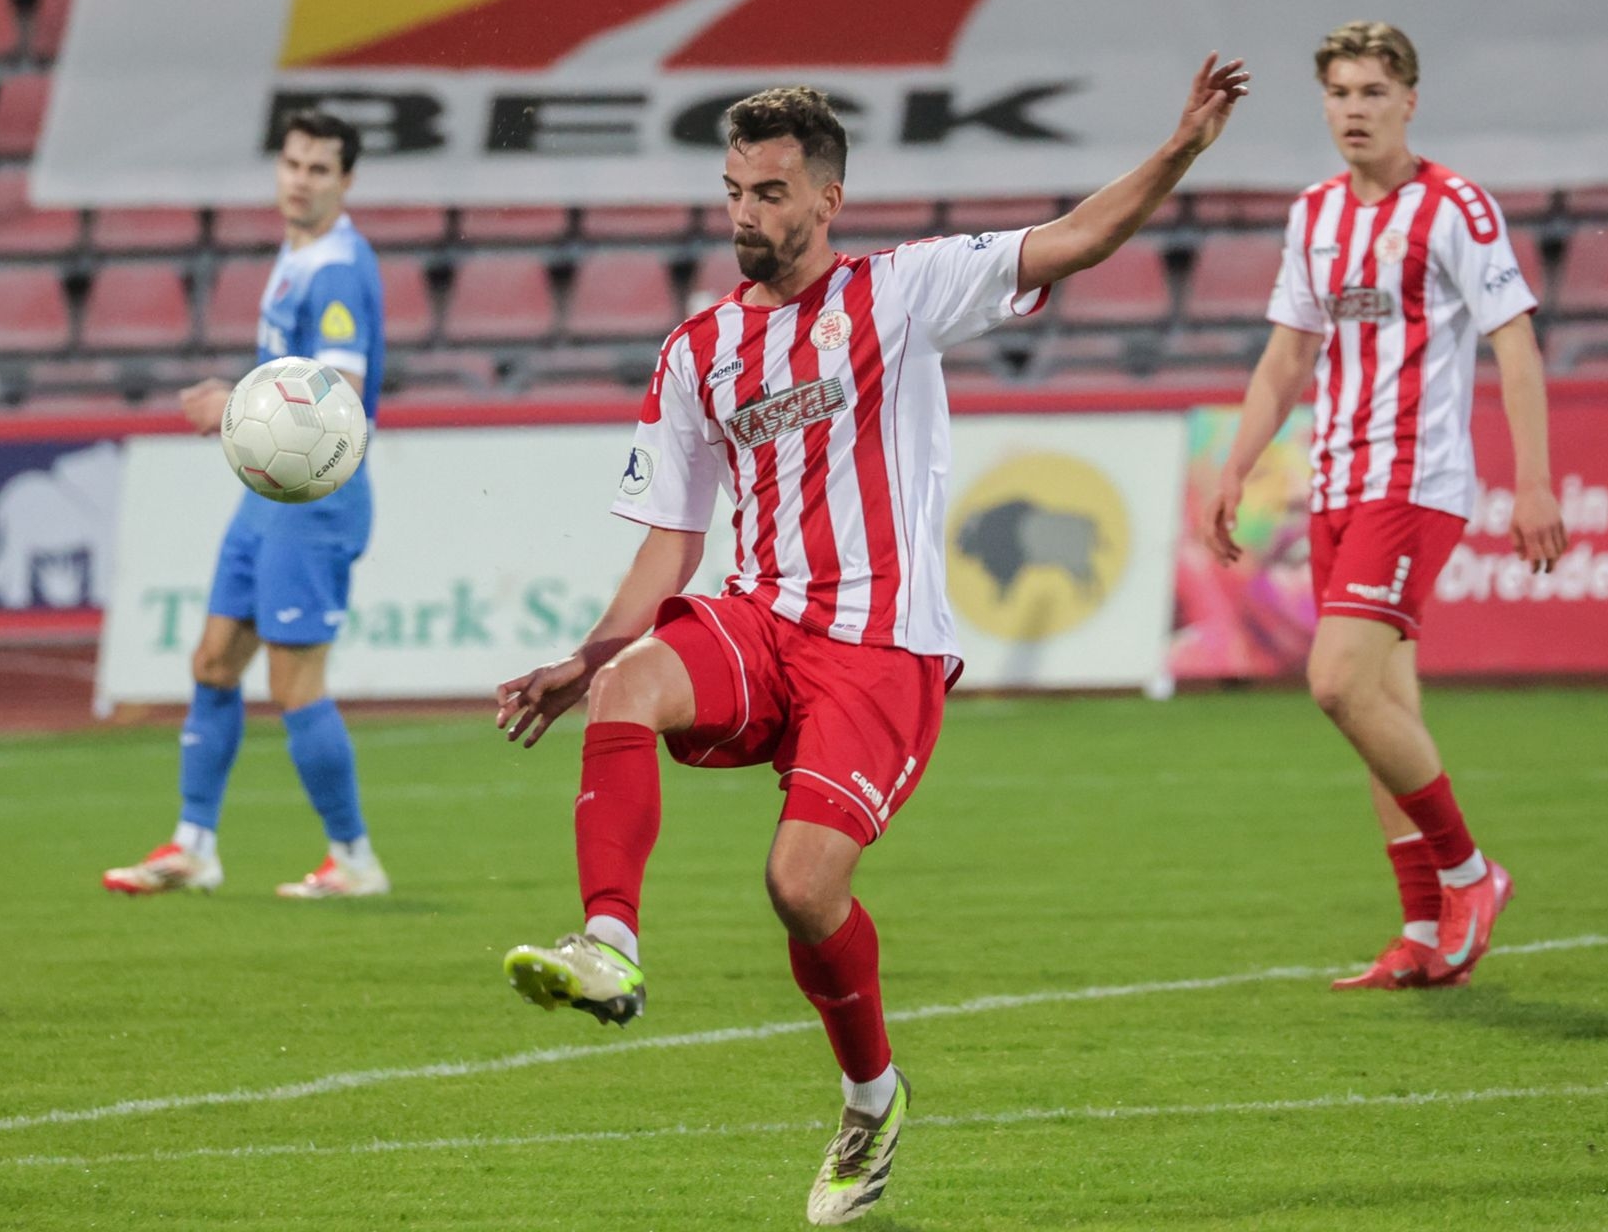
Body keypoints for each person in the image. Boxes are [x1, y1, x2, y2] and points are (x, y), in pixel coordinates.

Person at [495, 60, 1248, 1226]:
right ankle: (607, 941)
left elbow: (1077, 239)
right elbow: (670, 545)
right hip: (760, 616)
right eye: (734, 190)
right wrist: (589, 659)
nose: (745, 213)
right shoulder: (696, 352)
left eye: (769, 192)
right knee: (631, 685)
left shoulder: (902, 293)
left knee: (801, 887)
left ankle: (871, 1098)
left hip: (881, 646)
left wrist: (1182, 147)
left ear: (827, 198)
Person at [1202, 22, 1567, 991]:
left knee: (1337, 683)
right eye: (1339, 93)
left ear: (1409, 100)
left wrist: (1535, 480)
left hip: (1416, 481)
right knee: (1381, 708)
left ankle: (1470, 874)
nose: (1353, 109)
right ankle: (1423, 930)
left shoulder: (1455, 207)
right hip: (1334, 481)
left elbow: (1515, 343)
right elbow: (1288, 355)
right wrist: (1237, 465)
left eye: (1372, 91)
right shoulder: (1316, 212)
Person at [103, 110, 390, 900]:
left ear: (345, 181)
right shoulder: (299, 252)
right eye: (292, 164)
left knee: (296, 686)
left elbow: (341, 395)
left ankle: (354, 860)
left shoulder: (337, 270)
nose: (300, 180)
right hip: (269, 495)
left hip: (316, 497)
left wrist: (234, 404)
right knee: (213, 662)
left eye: (319, 169)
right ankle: (194, 846)